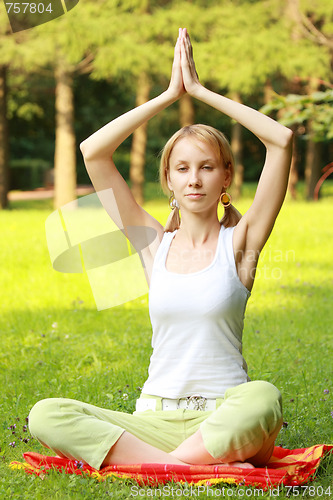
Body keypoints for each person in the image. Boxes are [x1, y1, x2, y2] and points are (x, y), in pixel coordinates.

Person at [28, 28, 293, 471]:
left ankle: (152, 465)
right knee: (47, 414)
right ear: (168, 179)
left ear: (224, 177)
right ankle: (184, 466)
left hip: (220, 414)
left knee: (263, 398)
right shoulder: (153, 245)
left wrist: (202, 92)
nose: (194, 179)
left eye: (207, 167)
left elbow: (281, 140)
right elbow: (93, 152)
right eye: (182, 168)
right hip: (153, 417)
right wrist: (168, 95)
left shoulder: (242, 243)